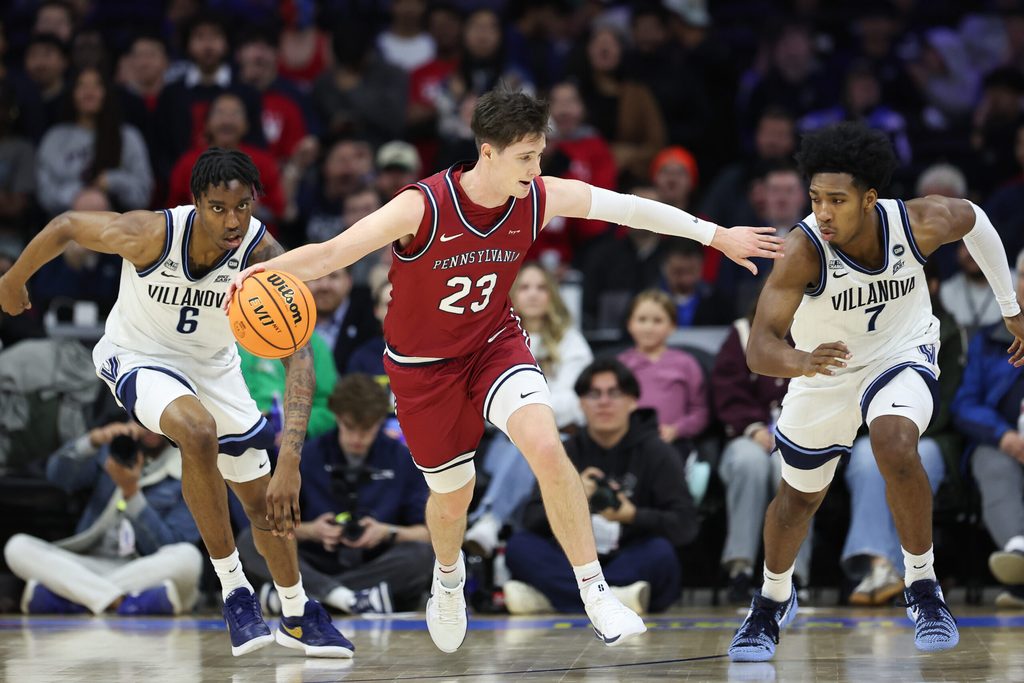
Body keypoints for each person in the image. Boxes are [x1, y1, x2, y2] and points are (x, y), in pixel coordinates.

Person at [229, 88, 781, 653]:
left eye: (540, 155)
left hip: (495, 345)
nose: (536, 169)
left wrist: (716, 235)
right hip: (423, 371)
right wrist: (246, 278)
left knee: (547, 447)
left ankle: (595, 591)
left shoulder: (537, 196)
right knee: (452, 497)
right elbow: (328, 255)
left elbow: (627, 206)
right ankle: (448, 579)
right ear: (487, 152)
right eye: (525, 157)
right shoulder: (422, 206)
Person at [0, 148, 354, 659]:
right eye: (217, 208)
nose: (232, 222)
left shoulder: (264, 257)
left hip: (214, 366)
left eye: (243, 207)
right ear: (195, 202)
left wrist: (291, 461)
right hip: (138, 354)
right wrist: (13, 280)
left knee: (259, 500)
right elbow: (67, 224)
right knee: (198, 431)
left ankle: (298, 613)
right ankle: (235, 591)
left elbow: (300, 358)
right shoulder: (151, 235)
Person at [728, 122, 1024, 662]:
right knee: (797, 499)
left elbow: (976, 221)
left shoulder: (917, 222)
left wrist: (1011, 308)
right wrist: (801, 361)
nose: (823, 211)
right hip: (825, 372)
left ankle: (922, 585)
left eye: (836, 200)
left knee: (894, 442)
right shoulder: (803, 250)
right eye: (816, 198)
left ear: (870, 199)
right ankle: (771, 599)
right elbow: (758, 348)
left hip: (900, 352)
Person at [503, 358, 697, 615]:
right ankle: (616, 599)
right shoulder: (564, 451)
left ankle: (555, 597)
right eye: (594, 394)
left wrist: (633, 516)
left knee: (661, 555)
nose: (604, 402)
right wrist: (572, 494)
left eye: (614, 393)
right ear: (581, 403)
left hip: (630, 552)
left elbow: (684, 525)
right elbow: (531, 518)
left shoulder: (658, 452)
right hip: (573, 559)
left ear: (633, 401)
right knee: (520, 546)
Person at [237, 374, 432, 615]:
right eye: (350, 427)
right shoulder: (308, 455)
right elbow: (274, 523)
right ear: (337, 417)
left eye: (367, 429)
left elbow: (428, 533)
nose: (357, 438)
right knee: (251, 539)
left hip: (375, 560)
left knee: (426, 555)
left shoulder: (403, 460)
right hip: (316, 559)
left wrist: (387, 533)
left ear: (381, 421)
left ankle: (310, 598)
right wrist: (312, 531)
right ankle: (350, 599)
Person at [4, 420, 203, 616]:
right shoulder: (113, 449)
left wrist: (131, 493)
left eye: (158, 418)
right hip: (87, 563)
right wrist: (93, 440)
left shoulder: (188, 471)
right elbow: (57, 475)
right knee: (17, 546)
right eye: (145, 416)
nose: (150, 425)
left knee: (188, 557)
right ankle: (122, 601)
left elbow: (167, 545)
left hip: (142, 567)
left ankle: (75, 598)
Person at [463, 262, 593, 558]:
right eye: (525, 287)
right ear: (511, 294)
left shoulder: (572, 342)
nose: (533, 294)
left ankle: (490, 520)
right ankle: (497, 530)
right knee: (527, 444)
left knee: (537, 443)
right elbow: (484, 397)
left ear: (553, 295)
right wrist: (533, 410)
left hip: (560, 439)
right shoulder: (494, 339)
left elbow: (574, 404)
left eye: (541, 287)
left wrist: (523, 410)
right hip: (501, 439)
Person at [952, 248, 1024, 609]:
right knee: (993, 465)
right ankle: (1018, 553)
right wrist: (1004, 436)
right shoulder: (989, 338)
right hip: (1001, 443)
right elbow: (964, 405)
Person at [618, 290, 708, 455]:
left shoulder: (686, 363)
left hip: (674, 447)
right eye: (642, 320)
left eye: (657, 320)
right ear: (629, 324)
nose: (649, 327)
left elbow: (700, 412)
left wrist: (676, 430)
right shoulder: (619, 366)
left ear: (672, 326)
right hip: (627, 446)